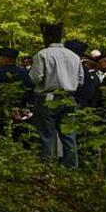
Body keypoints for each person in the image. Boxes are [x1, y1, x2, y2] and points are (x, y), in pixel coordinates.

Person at [29, 23, 84, 168]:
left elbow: (35, 78)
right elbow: (81, 80)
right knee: (69, 136)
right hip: (69, 97)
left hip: (48, 97)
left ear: (48, 37)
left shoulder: (42, 54)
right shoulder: (74, 56)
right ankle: (71, 168)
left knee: (45, 135)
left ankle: (45, 168)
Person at [0, 47, 33, 137]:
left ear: (5, 59)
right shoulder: (24, 72)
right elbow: (29, 90)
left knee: (3, 135)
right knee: (20, 135)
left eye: (0, 59)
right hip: (22, 110)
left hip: (3, 111)